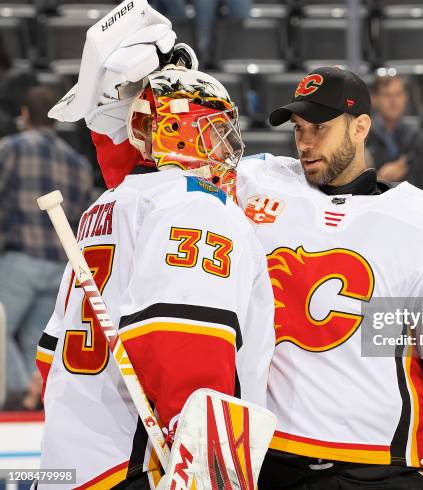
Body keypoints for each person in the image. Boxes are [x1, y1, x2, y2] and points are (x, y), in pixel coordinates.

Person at [79, 35, 423, 488]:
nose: (305, 141)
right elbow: (153, 185)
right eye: (298, 128)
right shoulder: (250, 183)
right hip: (264, 464)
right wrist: (145, 96)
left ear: (360, 127)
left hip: (381, 468)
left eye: (320, 127)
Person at [36, 65, 275, 489]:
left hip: (72, 465)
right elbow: (183, 340)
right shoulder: (195, 205)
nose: (225, 148)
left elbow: (49, 355)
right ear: (177, 129)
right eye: (214, 129)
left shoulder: (104, 207)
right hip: (137, 468)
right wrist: (209, 473)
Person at [0, 85, 93, 408]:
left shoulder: (9, 148)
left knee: (1, 333)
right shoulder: (78, 162)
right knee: (34, 342)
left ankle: (15, 392)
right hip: (59, 264)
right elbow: (83, 216)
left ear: (24, 115)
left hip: (20, 258)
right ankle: (34, 398)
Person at [366, 74, 423, 196]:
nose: (393, 101)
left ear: (406, 97)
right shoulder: (361, 138)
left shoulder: (419, 140)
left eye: (398, 94)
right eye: (386, 95)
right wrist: (379, 180)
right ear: (374, 99)